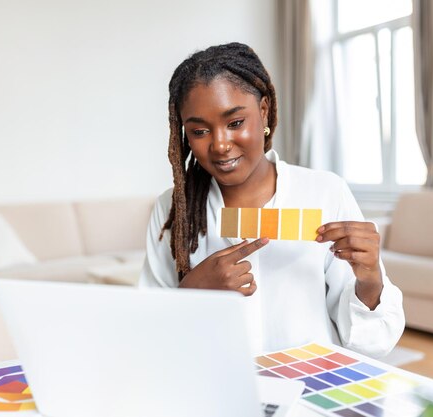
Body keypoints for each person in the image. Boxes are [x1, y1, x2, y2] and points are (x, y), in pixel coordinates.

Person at [139, 42, 405, 358]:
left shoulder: (325, 192)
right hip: (219, 388)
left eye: (235, 123)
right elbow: (149, 336)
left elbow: (372, 341)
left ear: (263, 111)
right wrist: (192, 293)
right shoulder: (172, 209)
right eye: (199, 131)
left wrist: (370, 277)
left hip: (308, 385)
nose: (221, 145)